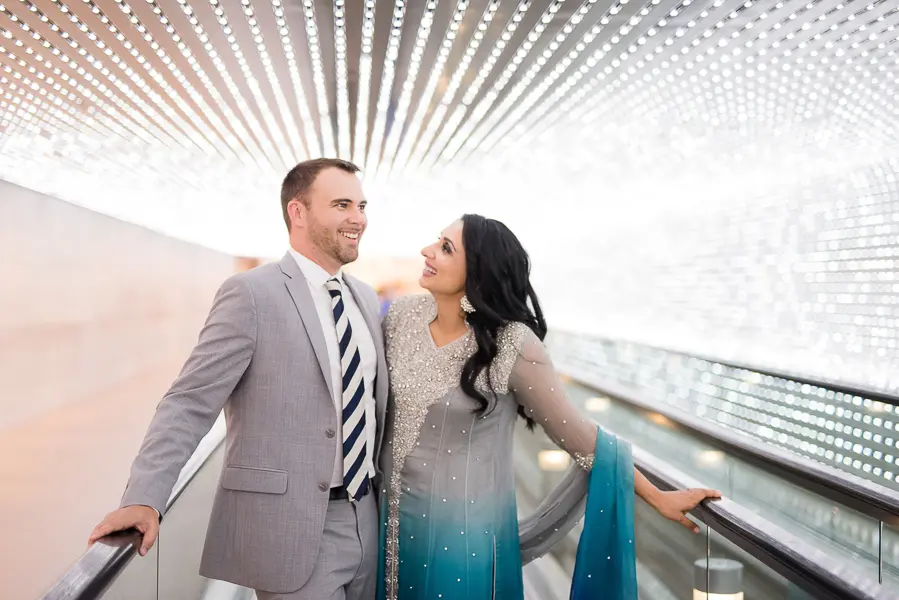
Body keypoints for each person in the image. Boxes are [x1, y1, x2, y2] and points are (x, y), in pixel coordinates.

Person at [375, 214, 721, 600]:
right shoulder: (401, 318)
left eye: (446, 248)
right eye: (436, 241)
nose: (427, 251)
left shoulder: (512, 345)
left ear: (479, 271)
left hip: (463, 545)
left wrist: (658, 496)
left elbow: (582, 439)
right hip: (389, 532)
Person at [88, 158, 388, 600]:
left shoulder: (363, 296)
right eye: (342, 204)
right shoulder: (251, 294)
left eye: (362, 205)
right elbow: (189, 402)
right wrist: (144, 496)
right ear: (298, 211)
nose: (358, 219)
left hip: (366, 518)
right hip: (292, 529)